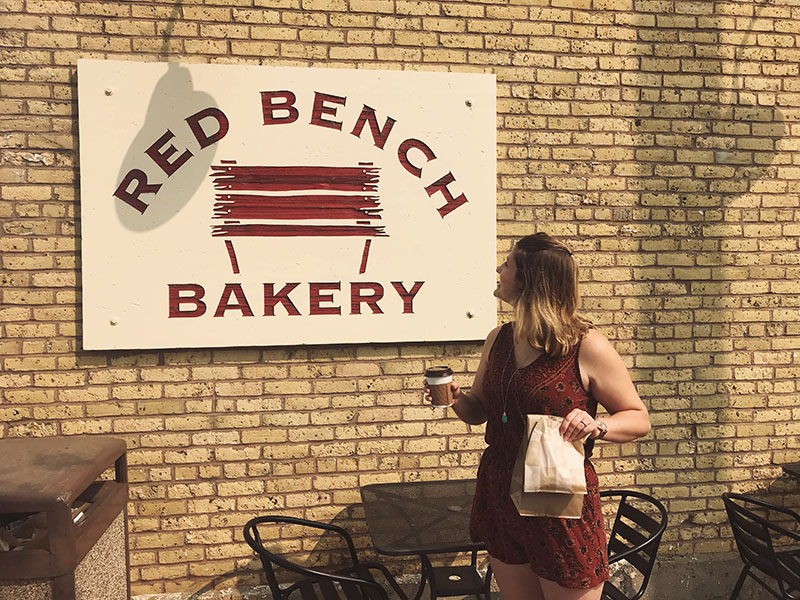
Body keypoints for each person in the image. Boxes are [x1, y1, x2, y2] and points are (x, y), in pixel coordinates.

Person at [424, 232, 651, 600]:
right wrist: (456, 399)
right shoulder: (497, 339)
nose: (499, 269)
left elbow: (639, 417)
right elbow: (480, 410)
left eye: (508, 264)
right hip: (500, 495)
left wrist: (598, 425)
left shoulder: (586, 345)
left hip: (557, 503)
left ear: (531, 281)